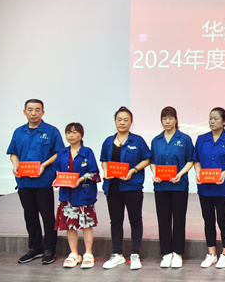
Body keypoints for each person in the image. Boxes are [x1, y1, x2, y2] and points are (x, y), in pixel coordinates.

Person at [7, 99, 64, 265]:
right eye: (30, 109)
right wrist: (15, 164)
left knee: (47, 216)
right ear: (24, 112)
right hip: (23, 181)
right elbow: (13, 152)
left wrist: (43, 165)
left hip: (43, 181)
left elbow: (58, 153)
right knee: (30, 215)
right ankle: (35, 248)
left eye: (37, 110)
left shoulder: (51, 131)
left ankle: (49, 249)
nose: (34, 113)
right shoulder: (19, 132)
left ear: (43, 112)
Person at [100, 107, 151, 270]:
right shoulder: (108, 141)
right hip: (113, 187)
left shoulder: (138, 141)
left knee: (135, 220)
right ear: (115, 121)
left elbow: (147, 159)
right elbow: (104, 159)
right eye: (119, 119)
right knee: (116, 221)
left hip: (132, 186)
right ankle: (117, 254)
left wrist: (133, 170)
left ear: (131, 122)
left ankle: (135, 254)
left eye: (126, 120)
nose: (122, 122)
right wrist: (105, 171)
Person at [193, 107, 225, 269]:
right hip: (205, 187)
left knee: (222, 219)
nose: (212, 121)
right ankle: (211, 253)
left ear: (224, 121)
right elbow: (196, 160)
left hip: (223, 187)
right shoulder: (201, 139)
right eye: (210, 118)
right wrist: (198, 172)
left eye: (216, 118)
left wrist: (224, 173)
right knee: (208, 220)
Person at [150, 107, 194, 269]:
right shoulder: (156, 140)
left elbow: (190, 160)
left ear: (176, 119)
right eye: (164, 118)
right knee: (163, 219)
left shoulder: (185, 139)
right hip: (161, 186)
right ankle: (166, 253)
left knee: (179, 219)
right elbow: (152, 162)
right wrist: (155, 174)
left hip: (179, 185)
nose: (167, 121)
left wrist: (180, 174)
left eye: (170, 118)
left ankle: (178, 253)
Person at [52, 123, 101, 269]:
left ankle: (88, 253)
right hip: (67, 194)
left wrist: (81, 179)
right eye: (68, 132)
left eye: (74, 132)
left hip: (83, 193)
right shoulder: (62, 152)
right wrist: (56, 180)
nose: (71, 135)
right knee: (70, 225)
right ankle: (74, 253)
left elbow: (94, 173)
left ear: (81, 134)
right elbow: (58, 172)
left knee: (86, 224)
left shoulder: (87, 152)